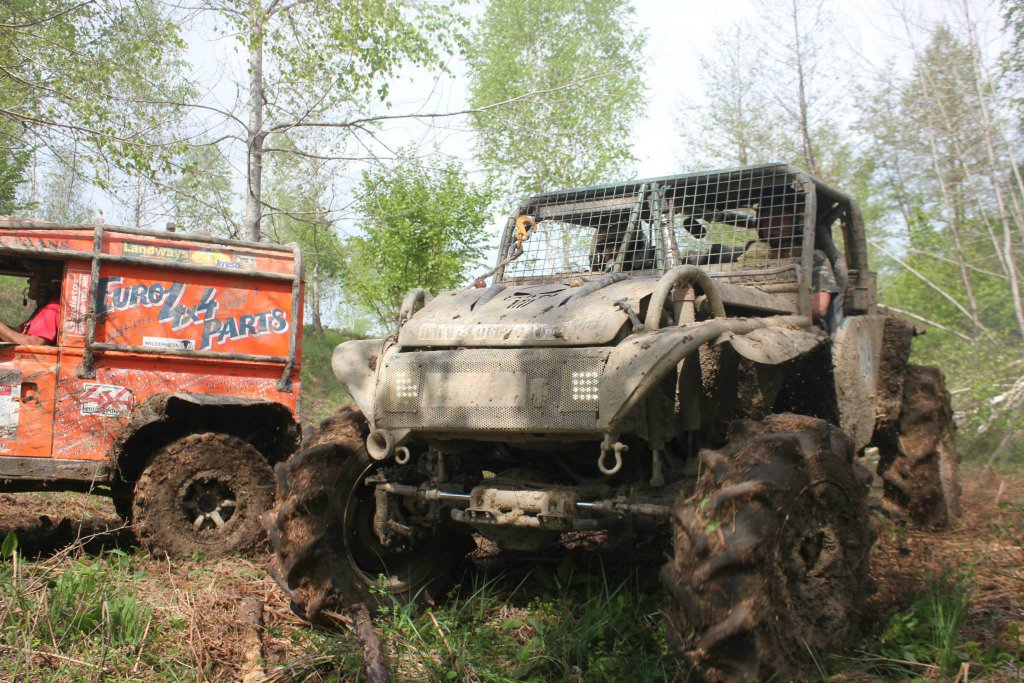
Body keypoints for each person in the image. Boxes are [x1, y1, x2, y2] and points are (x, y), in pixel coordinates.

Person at [738, 198, 839, 321]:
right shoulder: (751, 257)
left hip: (800, 324)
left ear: (794, 222)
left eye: (780, 217)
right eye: (767, 218)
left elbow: (819, 307)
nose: (772, 223)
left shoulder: (812, 257)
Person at [0, 262, 62, 345]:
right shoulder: (43, 310)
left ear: (47, 284)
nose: (29, 281)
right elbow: (17, 332)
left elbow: (34, 343)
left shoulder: (53, 310)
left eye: (34, 277)